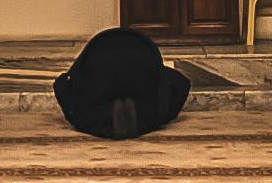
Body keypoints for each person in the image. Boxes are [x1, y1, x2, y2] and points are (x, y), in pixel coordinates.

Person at [53, 25, 192, 140]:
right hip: (140, 62)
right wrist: (165, 115)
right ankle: (142, 117)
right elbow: (183, 83)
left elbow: (61, 84)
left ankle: (102, 117)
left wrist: (74, 116)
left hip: (100, 65)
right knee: (151, 100)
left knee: (87, 108)